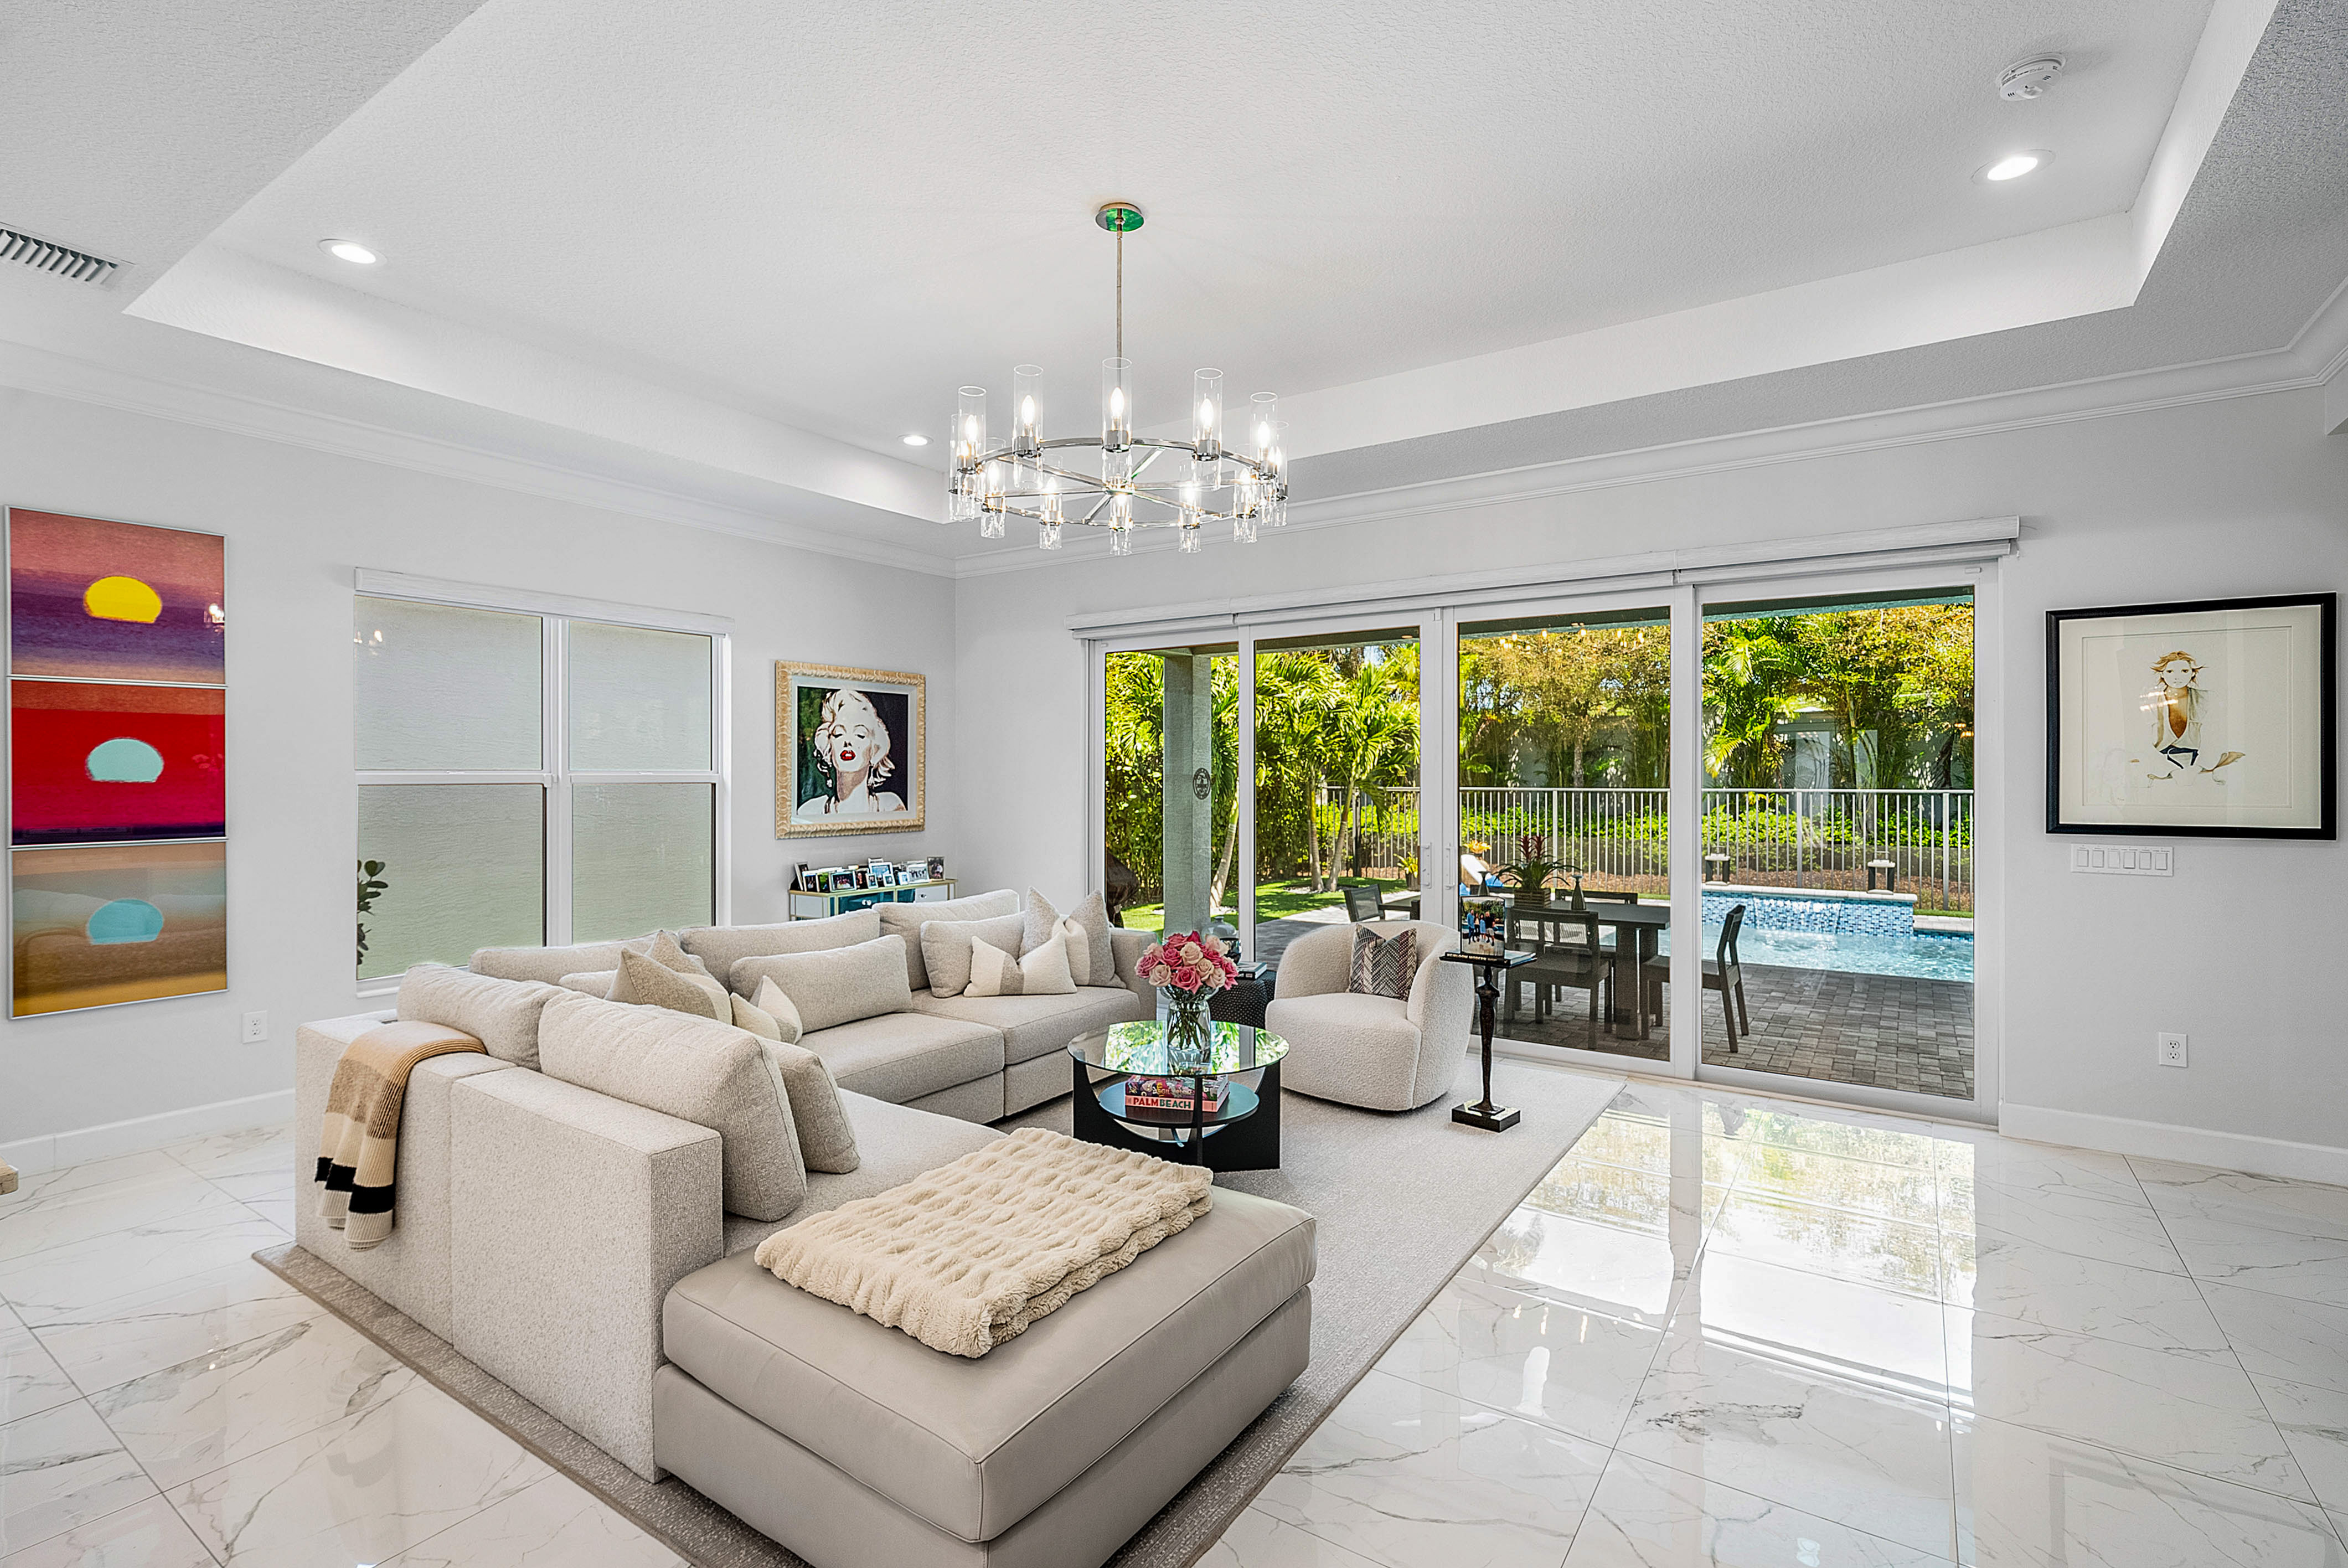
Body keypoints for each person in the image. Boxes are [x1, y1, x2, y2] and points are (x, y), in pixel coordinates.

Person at [797, 688, 907, 819]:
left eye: (860, 735)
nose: (848, 741)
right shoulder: (810, 811)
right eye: (838, 734)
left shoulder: (891, 806)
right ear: (828, 749)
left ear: (875, 750)